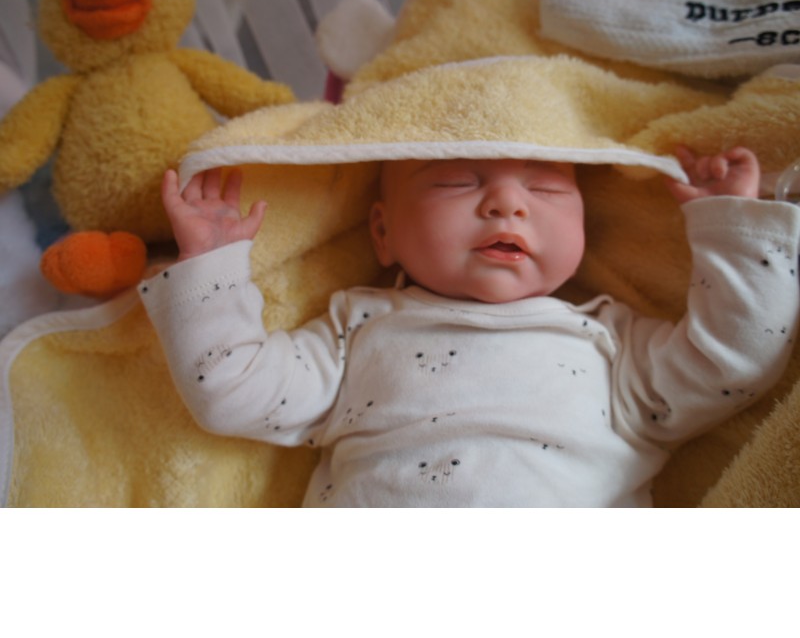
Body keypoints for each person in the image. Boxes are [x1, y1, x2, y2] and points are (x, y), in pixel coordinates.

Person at [140, 148, 800, 507]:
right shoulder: (357, 329)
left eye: (546, 189)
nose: (507, 202)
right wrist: (212, 268)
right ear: (382, 232)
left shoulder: (610, 342)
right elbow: (231, 390)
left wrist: (731, 231)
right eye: (457, 182)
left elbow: (732, 360)